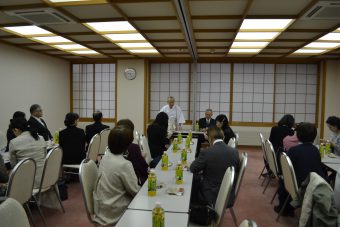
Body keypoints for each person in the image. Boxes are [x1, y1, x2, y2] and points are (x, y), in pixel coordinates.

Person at [275, 123, 325, 216]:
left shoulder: (294, 150)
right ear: (314, 136)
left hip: (300, 186)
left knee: (283, 181)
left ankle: (286, 209)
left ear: (298, 135)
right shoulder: (316, 150)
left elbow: (287, 171)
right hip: (316, 184)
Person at [93, 126, 140, 225]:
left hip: (102, 210)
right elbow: (135, 192)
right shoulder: (124, 164)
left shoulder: (105, 157)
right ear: (126, 145)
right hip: (116, 214)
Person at [190, 126, 239, 206]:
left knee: (193, 179)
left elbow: (193, 168)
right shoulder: (235, 152)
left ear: (210, 138)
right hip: (229, 193)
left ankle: (194, 209)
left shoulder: (207, 152)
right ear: (223, 137)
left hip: (212, 194)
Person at [8, 117, 46, 188]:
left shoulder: (14, 142)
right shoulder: (40, 138)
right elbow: (45, 157)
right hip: (46, 179)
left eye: (13, 131)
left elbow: (14, 166)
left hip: (27, 184)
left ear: (16, 129)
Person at [116, 119, 148, 186]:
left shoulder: (110, 148)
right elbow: (144, 170)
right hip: (132, 186)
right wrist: (142, 158)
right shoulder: (133, 148)